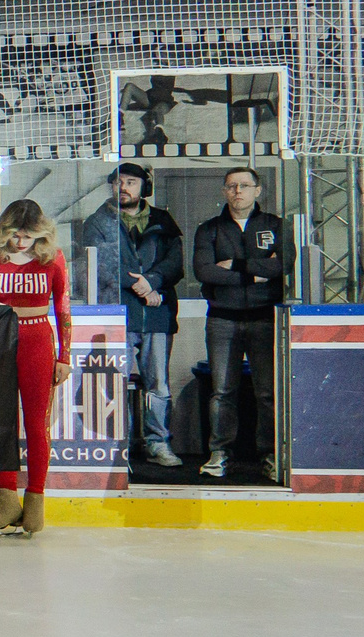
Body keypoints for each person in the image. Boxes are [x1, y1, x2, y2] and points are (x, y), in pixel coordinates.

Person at [0, 200, 72, 539]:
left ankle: (36, 499)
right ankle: (7, 499)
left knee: (36, 422)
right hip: (0, 343)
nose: (21, 242)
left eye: (29, 236)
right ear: (5, 231)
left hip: (38, 341)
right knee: (2, 422)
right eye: (16, 235)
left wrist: (64, 357)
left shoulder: (53, 259)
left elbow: (63, 309)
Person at [76, 163, 186, 467]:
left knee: (159, 385)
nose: (123, 187)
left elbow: (175, 263)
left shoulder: (164, 221)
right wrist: (140, 284)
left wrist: (152, 282)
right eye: (118, 182)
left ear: (143, 186)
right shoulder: (97, 221)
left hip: (157, 312)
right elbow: (100, 263)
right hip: (117, 313)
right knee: (115, 384)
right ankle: (117, 446)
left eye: (131, 182)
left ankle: (158, 443)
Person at [192, 167, 286, 479]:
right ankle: (219, 454)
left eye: (245, 185)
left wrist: (236, 266)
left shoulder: (275, 226)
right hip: (222, 320)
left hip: (264, 319)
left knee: (267, 392)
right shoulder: (209, 230)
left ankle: (271, 454)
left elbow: (283, 265)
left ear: (258, 190)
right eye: (232, 186)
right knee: (222, 391)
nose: (238, 191)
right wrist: (254, 273)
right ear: (224, 191)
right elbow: (205, 272)